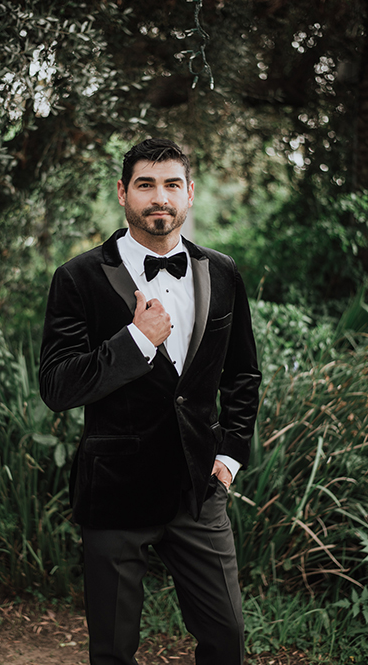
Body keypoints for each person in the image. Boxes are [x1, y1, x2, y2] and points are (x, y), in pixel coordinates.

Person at [39, 138, 261, 665]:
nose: (159, 198)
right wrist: (136, 341)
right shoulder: (78, 277)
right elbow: (57, 386)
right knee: (113, 650)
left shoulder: (222, 272)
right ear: (123, 193)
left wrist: (229, 457)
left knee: (226, 637)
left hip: (198, 489)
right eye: (145, 185)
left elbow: (243, 374)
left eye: (171, 185)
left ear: (189, 195)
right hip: (115, 491)